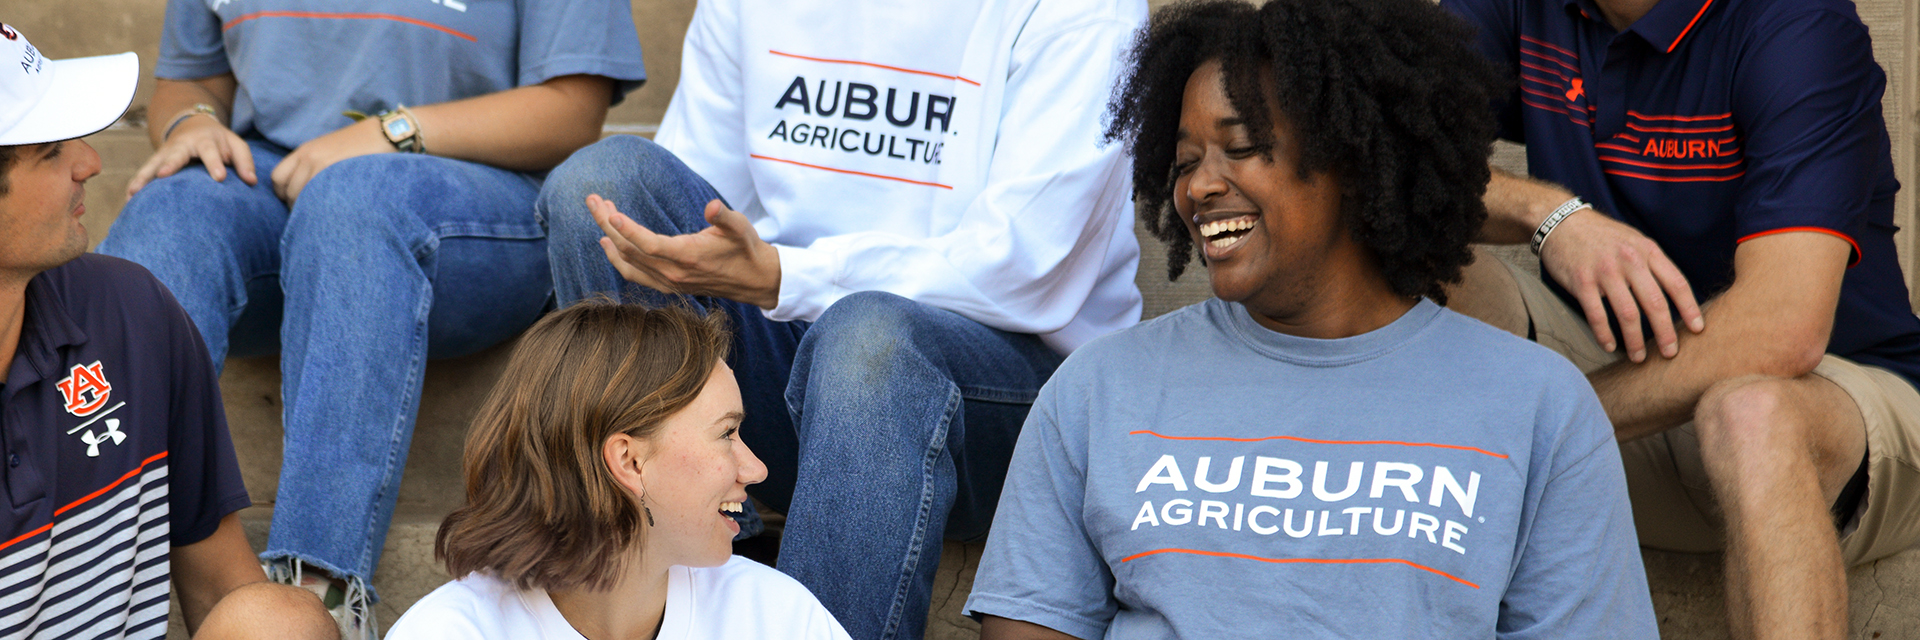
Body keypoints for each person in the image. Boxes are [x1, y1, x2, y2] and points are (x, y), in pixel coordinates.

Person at [963, 1, 1660, 637]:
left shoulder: (1539, 405)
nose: (1200, 186)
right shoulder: (1098, 390)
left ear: (1351, 159)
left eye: (1240, 148)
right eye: (1183, 162)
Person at [535, 0, 1146, 636]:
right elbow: (696, 208)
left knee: (866, 339)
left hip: (1013, 401)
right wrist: (765, 275)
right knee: (604, 186)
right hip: (794, 364)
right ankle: (705, 585)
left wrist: (788, 275)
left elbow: (1027, 267)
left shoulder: (1076, 11)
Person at [92, 1, 647, 636]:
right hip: (271, 180)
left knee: (354, 199)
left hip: (477, 199)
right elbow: (191, 79)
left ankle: (313, 599)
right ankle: (97, 562)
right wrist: (192, 122)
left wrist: (393, 131)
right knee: (171, 212)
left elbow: (571, 109)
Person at [1435, 0, 1918, 634]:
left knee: (1751, 415)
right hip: (1620, 387)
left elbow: (1784, 329)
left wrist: (1549, 420)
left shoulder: (1797, 25)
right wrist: (1547, 212)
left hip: (1834, 410)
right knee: (1411, 266)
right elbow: (1375, 152)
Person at [0, 23, 335, 640]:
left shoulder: (131, 309)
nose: (90, 162)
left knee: (282, 621)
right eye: (50, 152)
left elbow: (220, 586)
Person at [384, 301, 851, 640]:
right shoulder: (452, 631)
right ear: (629, 461)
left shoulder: (773, 615)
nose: (756, 469)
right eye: (727, 433)